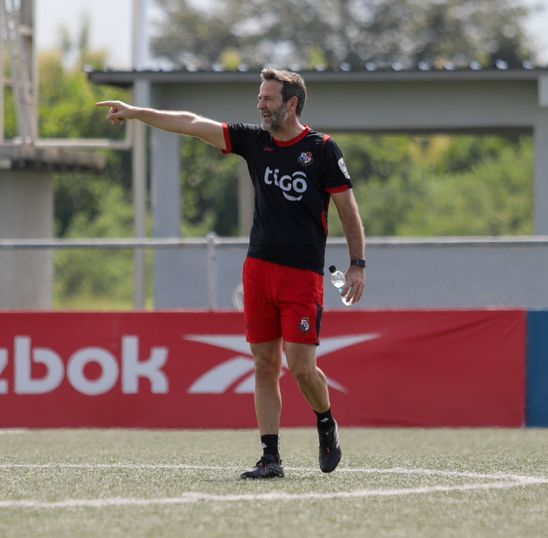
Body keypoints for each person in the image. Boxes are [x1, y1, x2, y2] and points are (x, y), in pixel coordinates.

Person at [97, 68, 366, 479]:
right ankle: (270, 457)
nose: (260, 104)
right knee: (263, 363)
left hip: (302, 276)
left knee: (300, 367)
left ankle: (326, 421)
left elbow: (348, 210)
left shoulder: (323, 149)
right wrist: (136, 112)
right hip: (258, 270)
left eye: (268, 99)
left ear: (291, 104)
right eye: (259, 97)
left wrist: (357, 264)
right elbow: (191, 123)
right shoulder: (254, 141)